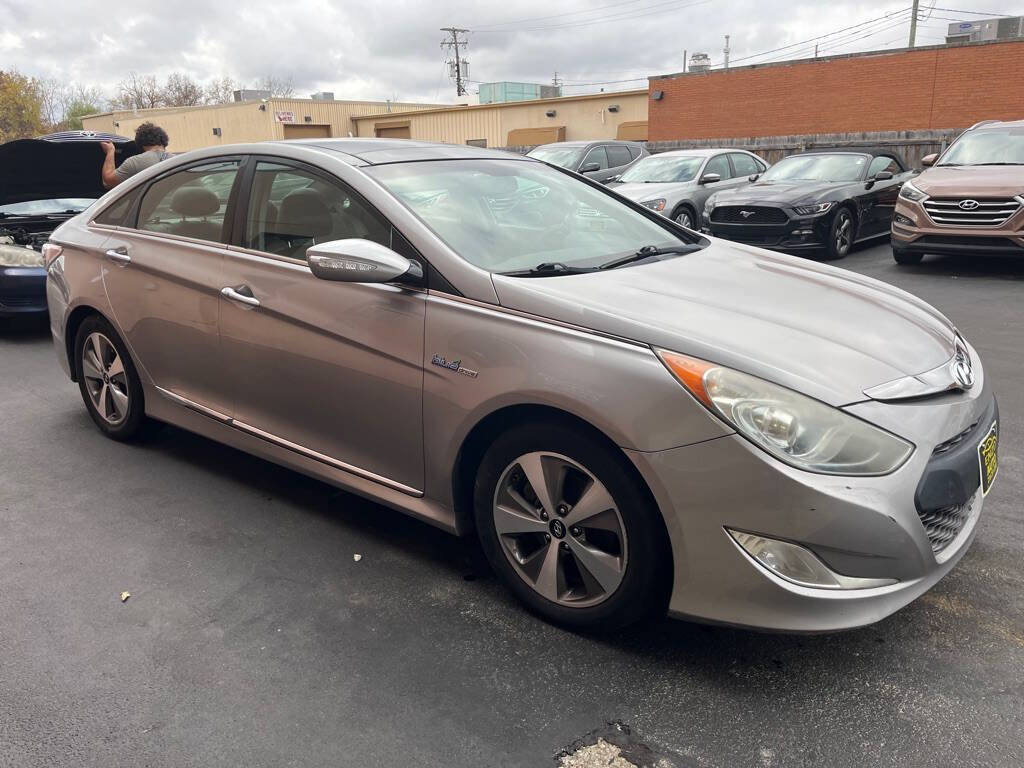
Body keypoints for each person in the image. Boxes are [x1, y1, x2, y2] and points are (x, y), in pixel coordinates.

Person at [99, 122, 171, 188]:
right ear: (164, 140)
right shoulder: (177, 161)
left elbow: (108, 181)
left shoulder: (134, 162)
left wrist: (110, 151)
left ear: (140, 143)